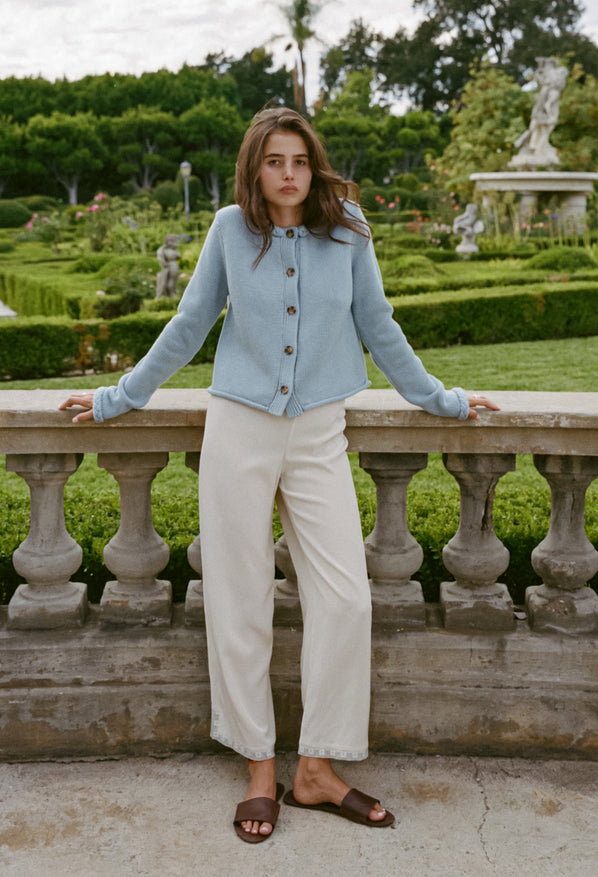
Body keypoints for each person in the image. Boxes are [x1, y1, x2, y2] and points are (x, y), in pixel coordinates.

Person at [60, 107, 498, 844]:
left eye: (298, 159)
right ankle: (261, 765)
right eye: (273, 161)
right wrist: (117, 396)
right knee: (239, 594)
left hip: (320, 427)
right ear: (253, 168)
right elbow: (189, 323)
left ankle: (318, 768)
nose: (288, 173)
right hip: (239, 424)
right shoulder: (230, 230)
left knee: (346, 598)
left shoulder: (349, 228)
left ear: (313, 163)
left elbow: (379, 324)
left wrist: (442, 399)